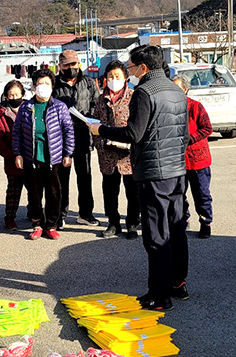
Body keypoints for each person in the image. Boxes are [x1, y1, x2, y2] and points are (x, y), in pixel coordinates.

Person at [89, 45, 189, 311]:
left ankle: (160, 295)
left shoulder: (144, 92)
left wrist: (101, 129)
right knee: (177, 230)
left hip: (154, 173)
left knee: (156, 235)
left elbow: (134, 133)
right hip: (177, 171)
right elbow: (185, 134)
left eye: (131, 68)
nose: (129, 72)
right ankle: (178, 285)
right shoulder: (176, 90)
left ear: (143, 67)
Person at [13, 69, 74, 240]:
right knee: (34, 192)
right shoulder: (26, 107)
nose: (43, 87)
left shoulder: (59, 107)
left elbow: (68, 131)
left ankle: (52, 224)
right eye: (40, 84)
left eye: (47, 84)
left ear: (52, 87)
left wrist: (68, 153)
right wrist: (17, 153)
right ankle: (37, 223)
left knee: (54, 192)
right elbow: (16, 132)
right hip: (31, 155)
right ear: (33, 87)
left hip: (53, 156)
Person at [92, 60, 140, 239]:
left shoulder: (134, 96)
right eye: (110, 76)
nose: (114, 79)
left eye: (117, 76)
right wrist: (99, 145)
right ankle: (113, 223)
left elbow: (139, 125)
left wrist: (131, 144)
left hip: (129, 153)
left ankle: (133, 223)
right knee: (110, 191)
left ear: (125, 78)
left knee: (132, 192)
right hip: (107, 154)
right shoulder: (100, 98)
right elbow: (94, 123)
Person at [53, 49, 100, 228]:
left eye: (73, 64)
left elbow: (97, 105)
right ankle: (60, 215)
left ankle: (85, 214)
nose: (71, 67)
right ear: (60, 66)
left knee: (85, 178)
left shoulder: (88, 83)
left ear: (79, 64)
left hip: (83, 138)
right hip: (60, 140)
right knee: (61, 180)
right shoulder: (54, 85)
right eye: (66, 65)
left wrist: (91, 120)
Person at [172, 74, 213, 239]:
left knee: (202, 194)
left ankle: (205, 222)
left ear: (185, 89)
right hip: (177, 160)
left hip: (198, 160)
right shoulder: (169, 108)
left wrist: (190, 138)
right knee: (178, 193)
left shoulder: (196, 107)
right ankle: (183, 219)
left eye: (177, 88)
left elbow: (207, 128)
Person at [0, 80, 27, 230]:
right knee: (14, 190)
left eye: (17, 94)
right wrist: (12, 156)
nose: (14, 97)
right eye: (11, 95)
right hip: (12, 159)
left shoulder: (29, 108)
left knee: (34, 189)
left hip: (31, 158)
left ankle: (35, 215)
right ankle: (10, 217)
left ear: (23, 94)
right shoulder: (1, 114)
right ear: (6, 96)